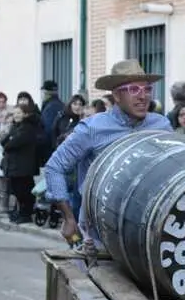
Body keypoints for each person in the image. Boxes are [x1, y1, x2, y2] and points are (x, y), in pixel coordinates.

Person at [43, 60, 173, 245]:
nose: (143, 96)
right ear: (117, 95)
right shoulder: (92, 129)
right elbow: (54, 167)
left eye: (147, 89)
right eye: (133, 89)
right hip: (99, 234)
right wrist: (68, 217)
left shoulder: (161, 126)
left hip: (147, 232)